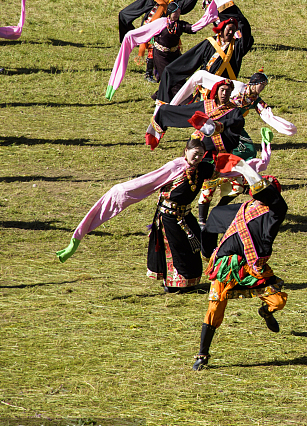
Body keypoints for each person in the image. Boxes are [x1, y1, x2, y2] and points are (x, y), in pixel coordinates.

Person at [55, 136, 268, 293]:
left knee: (194, 252)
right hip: (168, 216)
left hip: (186, 215)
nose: (196, 158)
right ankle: (172, 285)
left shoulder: (203, 168)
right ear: (185, 151)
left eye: (200, 155)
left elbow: (231, 170)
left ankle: (188, 283)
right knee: (177, 252)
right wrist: (81, 233)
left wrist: (260, 161)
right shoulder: (174, 167)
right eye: (193, 154)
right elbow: (142, 183)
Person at [193, 174, 289, 370]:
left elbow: (280, 205)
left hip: (251, 267)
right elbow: (214, 218)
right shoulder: (243, 208)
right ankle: (202, 354)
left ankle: (266, 312)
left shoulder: (274, 215)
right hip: (226, 265)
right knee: (214, 308)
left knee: (277, 301)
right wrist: (209, 251)